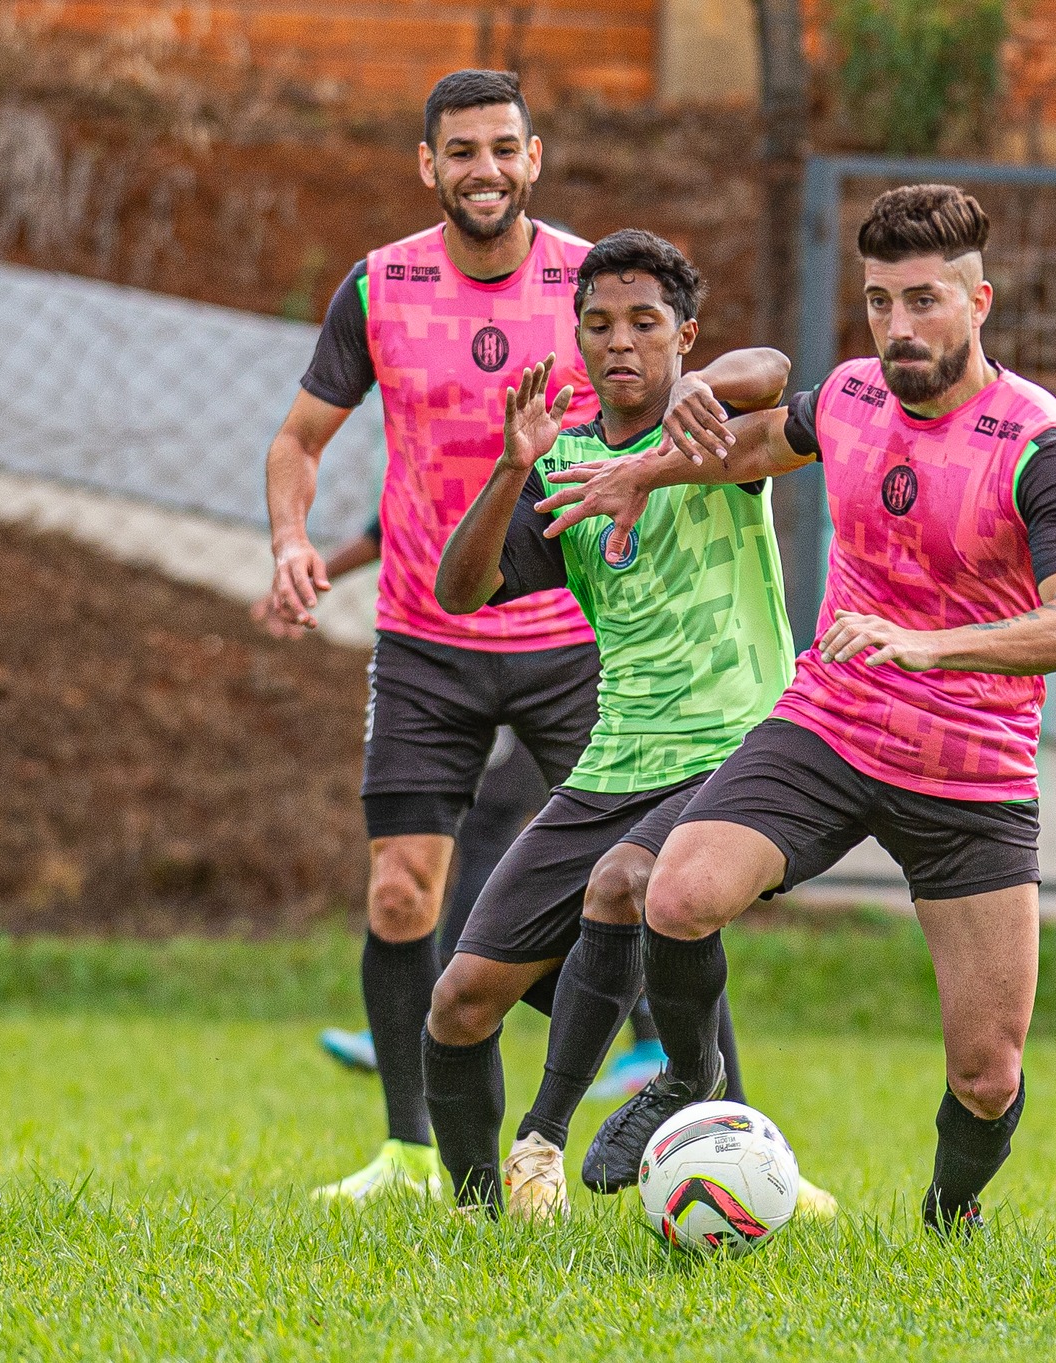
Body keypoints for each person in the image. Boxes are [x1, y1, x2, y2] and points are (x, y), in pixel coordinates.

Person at [549, 186, 1056, 1233]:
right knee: (673, 892)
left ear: (977, 300)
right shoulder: (853, 396)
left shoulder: (1037, 442)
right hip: (830, 724)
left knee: (987, 1071)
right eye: (879, 304)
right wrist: (642, 473)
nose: (900, 329)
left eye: (925, 301)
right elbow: (758, 443)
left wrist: (929, 645)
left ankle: (951, 1209)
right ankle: (685, 1076)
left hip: (969, 765)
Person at [263, 69, 765, 1203]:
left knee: (673, 881)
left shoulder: (593, 281)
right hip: (426, 634)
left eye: (504, 149)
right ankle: (410, 1155)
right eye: (461, 151)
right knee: (403, 895)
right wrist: (293, 541)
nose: (483, 169)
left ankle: (731, 1131)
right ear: (427, 166)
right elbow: (297, 438)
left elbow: (708, 380)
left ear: (533, 159)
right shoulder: (377, 283)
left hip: (580, 643)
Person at [421, 228, 830, 1221]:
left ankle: (542, 1144)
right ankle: (484, 1219)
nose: (620, 343)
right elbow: (459, 587)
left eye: (645, 323)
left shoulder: (714, 439)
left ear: (681, 335)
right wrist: (512, 468)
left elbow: (771, 370)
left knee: (632, 884)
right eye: (598, 324)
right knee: (461, 999)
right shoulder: (561, 463)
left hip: (737, 753)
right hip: (613, 764)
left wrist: (711, 382)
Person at [247, 519, 659, 1082]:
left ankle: (655, 1038)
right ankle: (433, 1010)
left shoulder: (556, 443)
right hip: (451, 650)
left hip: (561, 649)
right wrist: (313, 574)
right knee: (492, 831)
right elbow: (387, 525)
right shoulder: (432, 459)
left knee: (621, 845)